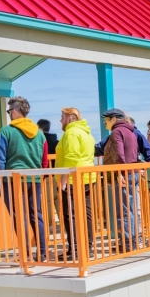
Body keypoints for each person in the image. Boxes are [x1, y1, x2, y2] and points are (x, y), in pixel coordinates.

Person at [0, 96, 48, 260]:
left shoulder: (6, 131)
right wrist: (41, 176)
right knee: (35, 215)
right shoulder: (39, 133)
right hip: (35, 178)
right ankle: (43, 253)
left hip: (13, 179)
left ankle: (25, 254)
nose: (9, 114)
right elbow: (44, 160)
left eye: (10, 111)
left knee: (19, 216)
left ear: (16, 111)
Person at [55, 107, 96, 260]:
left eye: (62, 117)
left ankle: (76, 249)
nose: (60, 120)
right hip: (87, 177)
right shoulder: (86, 133)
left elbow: (71, 157)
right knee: (86, 214)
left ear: (70, 118)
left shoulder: (71, 133)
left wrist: (64, 180)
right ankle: (88, 247)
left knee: (69, 215)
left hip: (73, 180)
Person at [101, 109, 140, 249]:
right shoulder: (130, 132)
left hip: (124, 174)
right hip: (132, 172)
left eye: (106, 119)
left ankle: (127, 243)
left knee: (123, 209)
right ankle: (133, 240)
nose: (104, 122)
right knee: (130, 208)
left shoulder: (116, 132)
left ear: (114, 119)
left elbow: (119, 154)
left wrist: (120, 173)